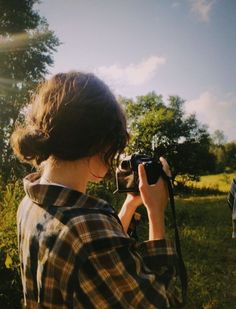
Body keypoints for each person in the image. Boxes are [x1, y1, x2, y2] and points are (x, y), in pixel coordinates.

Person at [11, 72, 181, 308]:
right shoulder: (87, 229)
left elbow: (93, 251)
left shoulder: (31, 202)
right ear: (100, 142)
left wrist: (130, 205)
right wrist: (155, 213)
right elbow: (161, 302)